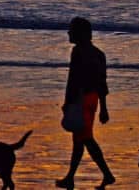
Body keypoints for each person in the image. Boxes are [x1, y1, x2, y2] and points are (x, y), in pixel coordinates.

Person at [56, 16, 115, 189]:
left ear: (80, 33)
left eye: (71, 30)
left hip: (80, 99)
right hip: (93, 99)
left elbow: (73, 80)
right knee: (80, 139)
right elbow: (102, 83)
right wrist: (104, 108)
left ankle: (107, 175)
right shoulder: (99, 54)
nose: (68, 33)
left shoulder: (78, 52)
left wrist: (68, 103)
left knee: (85, 139)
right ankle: (71, 177)